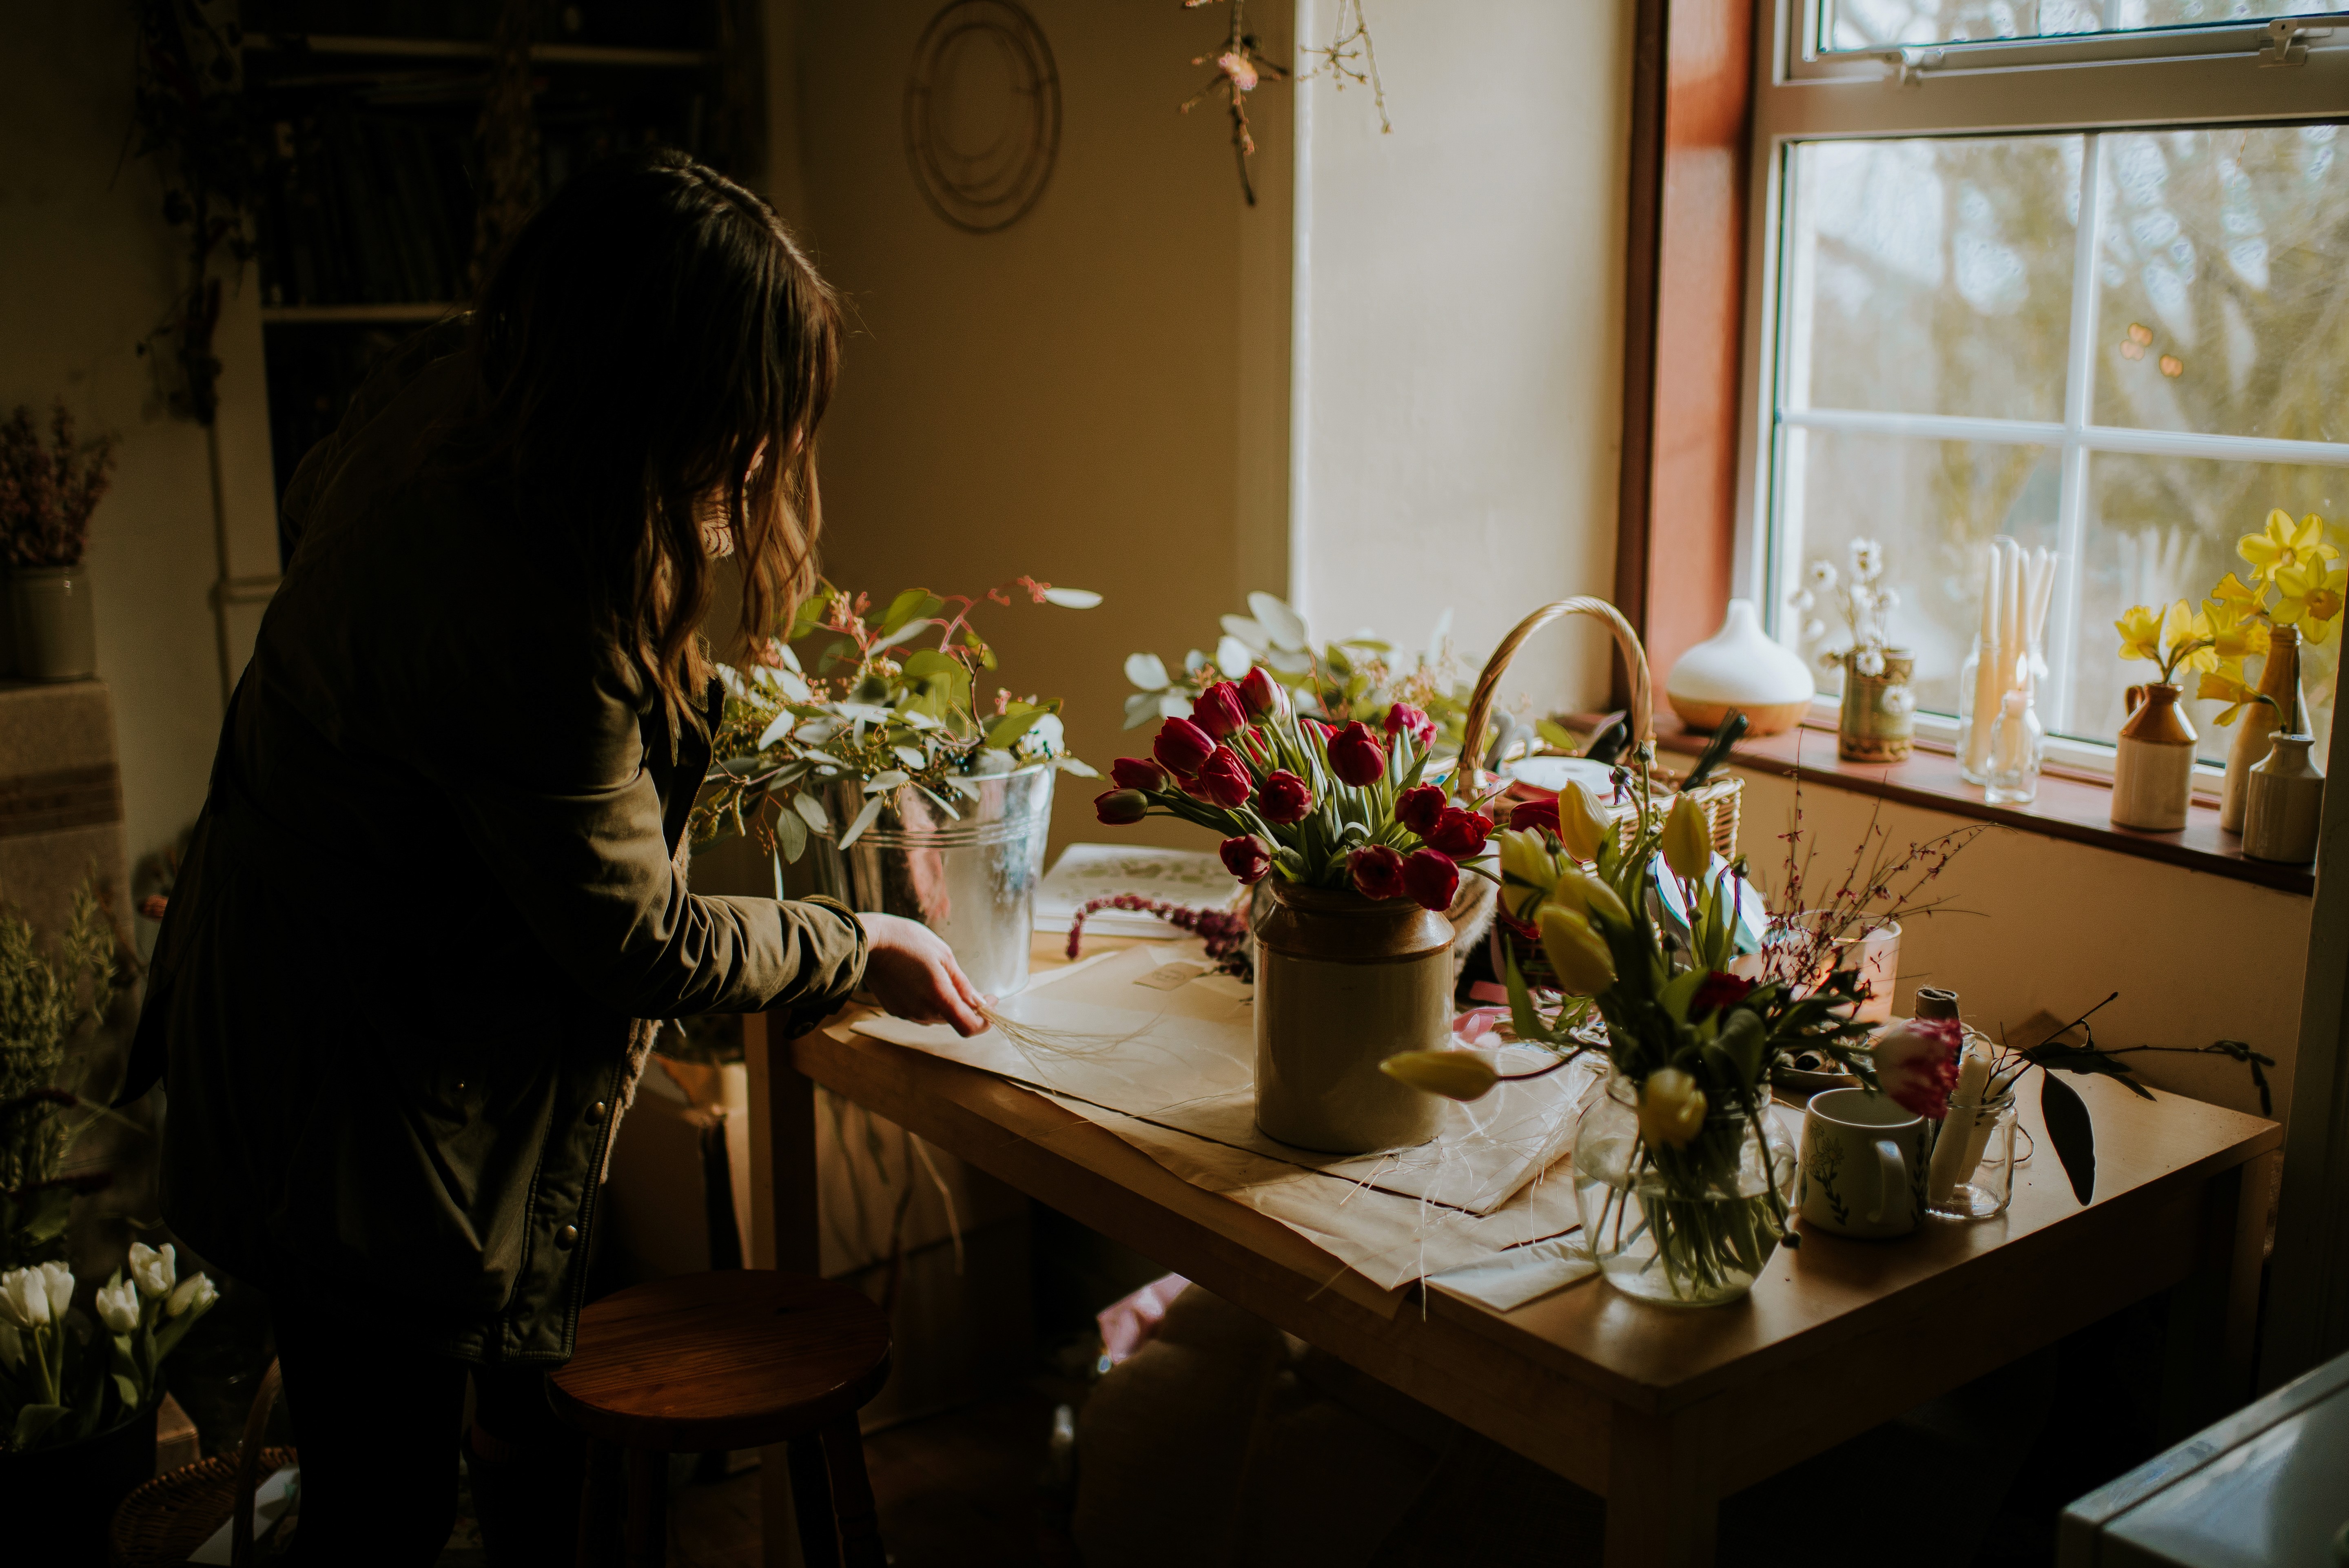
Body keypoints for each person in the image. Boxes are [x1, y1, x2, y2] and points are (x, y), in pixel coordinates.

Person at [122, 150, 986, 1566]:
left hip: (386, 1035)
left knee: (518, 1415)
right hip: (341, 1096)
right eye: (749, 421)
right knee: (381, 1504)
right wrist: (857, 941)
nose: (764, 459)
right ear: (662, 400)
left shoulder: (479, 409)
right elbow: (638, 938)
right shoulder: (524, 595)